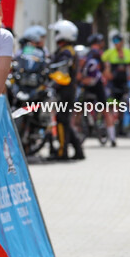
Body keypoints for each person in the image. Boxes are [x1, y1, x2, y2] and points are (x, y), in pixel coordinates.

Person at [47, 19, 84, 160]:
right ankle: (78, 151)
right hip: (66, 90)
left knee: (62, 120)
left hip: (65, 91)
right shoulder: (64, 50)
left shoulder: (67, 52)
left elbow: (61, 72)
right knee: (65, 121)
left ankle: (63, 152)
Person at [80, 33, 116, 146]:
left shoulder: (86, 54)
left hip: (86, 83)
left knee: (79, 108)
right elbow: (106, 71)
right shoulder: (101, 55)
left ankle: (79, 130)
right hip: (98, 84)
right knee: (105, 110)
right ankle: (112, 137)